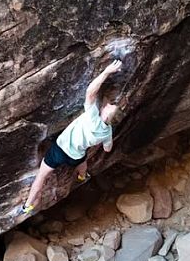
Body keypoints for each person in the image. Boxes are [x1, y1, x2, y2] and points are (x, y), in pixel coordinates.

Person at [21, 60, 122, 215]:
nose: (108, 105)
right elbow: (107, 149)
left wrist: (106, 72)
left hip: (60, 150)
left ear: (106, 114)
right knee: (82, 160)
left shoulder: (92, 116)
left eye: (110, 107)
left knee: (41, 177)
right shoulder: (107, 132)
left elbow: (90, 92)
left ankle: (28, 205)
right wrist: (104, 142)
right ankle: (82, 176)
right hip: (76, 156)